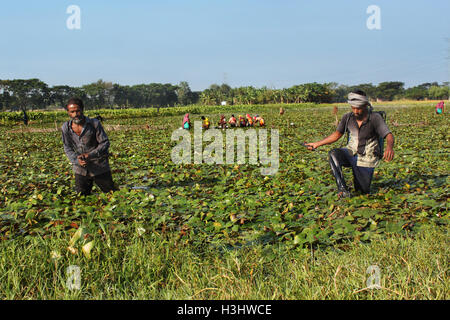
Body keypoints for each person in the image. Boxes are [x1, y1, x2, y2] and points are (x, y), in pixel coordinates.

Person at [305, 90, 395, 198]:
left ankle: (360, 182)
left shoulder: (375, 118)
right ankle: (343, 190)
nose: (356, 111)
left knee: (362, 192)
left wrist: (389, 148)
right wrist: (317, 144)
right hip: (350, 152)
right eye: (353, 108)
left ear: (366, 105)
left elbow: (388, 135)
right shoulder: (347, 117)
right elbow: (337, 134)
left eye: (359, 108)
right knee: (334, 154)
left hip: (366, 158)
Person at [61, 98, 116, 196]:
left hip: (99, 167)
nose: (75, 114)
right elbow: (67, 147)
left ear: (82, 110)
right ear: (68, 113)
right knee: (82, 199)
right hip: (80, 169)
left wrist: (90, 155)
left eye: (77, 111)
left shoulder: (94, 123)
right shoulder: (66, 127)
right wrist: (77, 160)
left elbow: (105, 143)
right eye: (72, 112)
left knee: (111, 195)